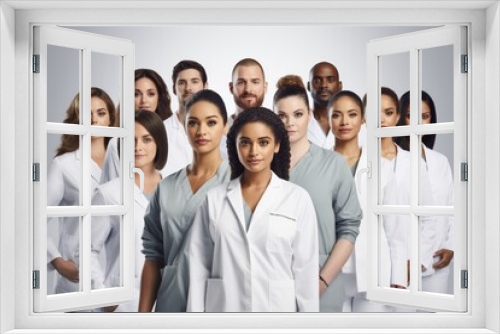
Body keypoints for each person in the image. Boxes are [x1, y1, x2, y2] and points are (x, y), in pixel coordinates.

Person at [187, 107, 319, 312]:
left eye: (263, 142)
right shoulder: (214, 199)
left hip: (277, 316)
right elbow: (197, 267)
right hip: (224, 314)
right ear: (235, 146)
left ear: (276, 145)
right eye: (245, 143)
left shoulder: (297, 199)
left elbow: (305, 272)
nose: (254, 151)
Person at [273, 83, 361, 312]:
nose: (289, 122)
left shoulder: (333, 164)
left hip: (321, 282)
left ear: (310, 116)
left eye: (298, 114)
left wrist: (321, 282)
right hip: (270, 281)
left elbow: (349, 228)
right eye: (281, 115)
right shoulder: (261, 166)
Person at [139, 89, 230, 312]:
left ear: (225, 126)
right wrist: (141, 318)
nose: (201, 131)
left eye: (211, 122)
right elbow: (153, 257)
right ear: (184, 126)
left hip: (222, 304)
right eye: (193, 123)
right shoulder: (167, 187)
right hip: (172, 301)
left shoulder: (237, 183)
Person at [90, 110, 167, 312]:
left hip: (167, 299)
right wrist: (102, 294)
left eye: (146, 139)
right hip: (124, 304)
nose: (138, 147)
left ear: (159, 143)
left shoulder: (175, 189)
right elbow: (87, 250)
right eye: (131, 140)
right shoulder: (109, 193)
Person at [47, 87, 116, 295]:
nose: (94, 120)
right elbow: (34, 219)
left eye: (101, 113)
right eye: (87, 114)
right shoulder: (64, 165)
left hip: (117, 275)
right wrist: (56, 260)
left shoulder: (127, 162)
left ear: (111, 119)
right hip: (77, 276)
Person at [328, 90, 393, 312]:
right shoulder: (318, 166)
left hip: (373, 268)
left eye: (352, 114)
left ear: (363, 118)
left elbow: (394, 225)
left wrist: (400, 274)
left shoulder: (382, 166)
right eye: (336, 115)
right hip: (330, 268)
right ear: (328, 119)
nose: (345, 121)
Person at [371, 87, 437, 296]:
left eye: (389, 113)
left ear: (397, 116)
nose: (382, 119)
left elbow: (429, 217)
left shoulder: (413, 162)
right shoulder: (360, 162)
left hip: (406, 270)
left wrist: (413, 263)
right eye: (375, 112)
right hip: (370, 269)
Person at [394, 90, 454, 295]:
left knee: (434, 325)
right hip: (401, 265)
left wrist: (451, 245)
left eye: (425, 117)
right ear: (400, 118)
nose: (418, 123)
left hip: (436, 263)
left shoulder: (440, 161)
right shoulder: (389, 158)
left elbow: (452, 207)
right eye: (411, 115)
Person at [101, 68, 173, 183]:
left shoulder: (176, 136)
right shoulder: (117, 143)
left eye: (150, 94)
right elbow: (110, 193)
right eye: (136, 94)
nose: (144, 100)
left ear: (159, 98)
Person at [161, 60, 209, 177]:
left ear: (205, 86)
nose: (188, 88)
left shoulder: (218, 131)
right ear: (174, 89)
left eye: (194, 81)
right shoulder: (161, 131)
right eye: (182, 83)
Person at [307, 62, 343, 149]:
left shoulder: (356, 124)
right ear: (308, 86)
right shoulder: (297, 122)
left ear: (340, 86)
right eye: (317, 81)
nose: (324, 85)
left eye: (330, 80)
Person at [228, 58, 268, 123]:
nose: (248, 89)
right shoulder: (221, 131)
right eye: (241, 82)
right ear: (231, 88)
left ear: (265, 87)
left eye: (255, 82)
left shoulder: (278, 129)